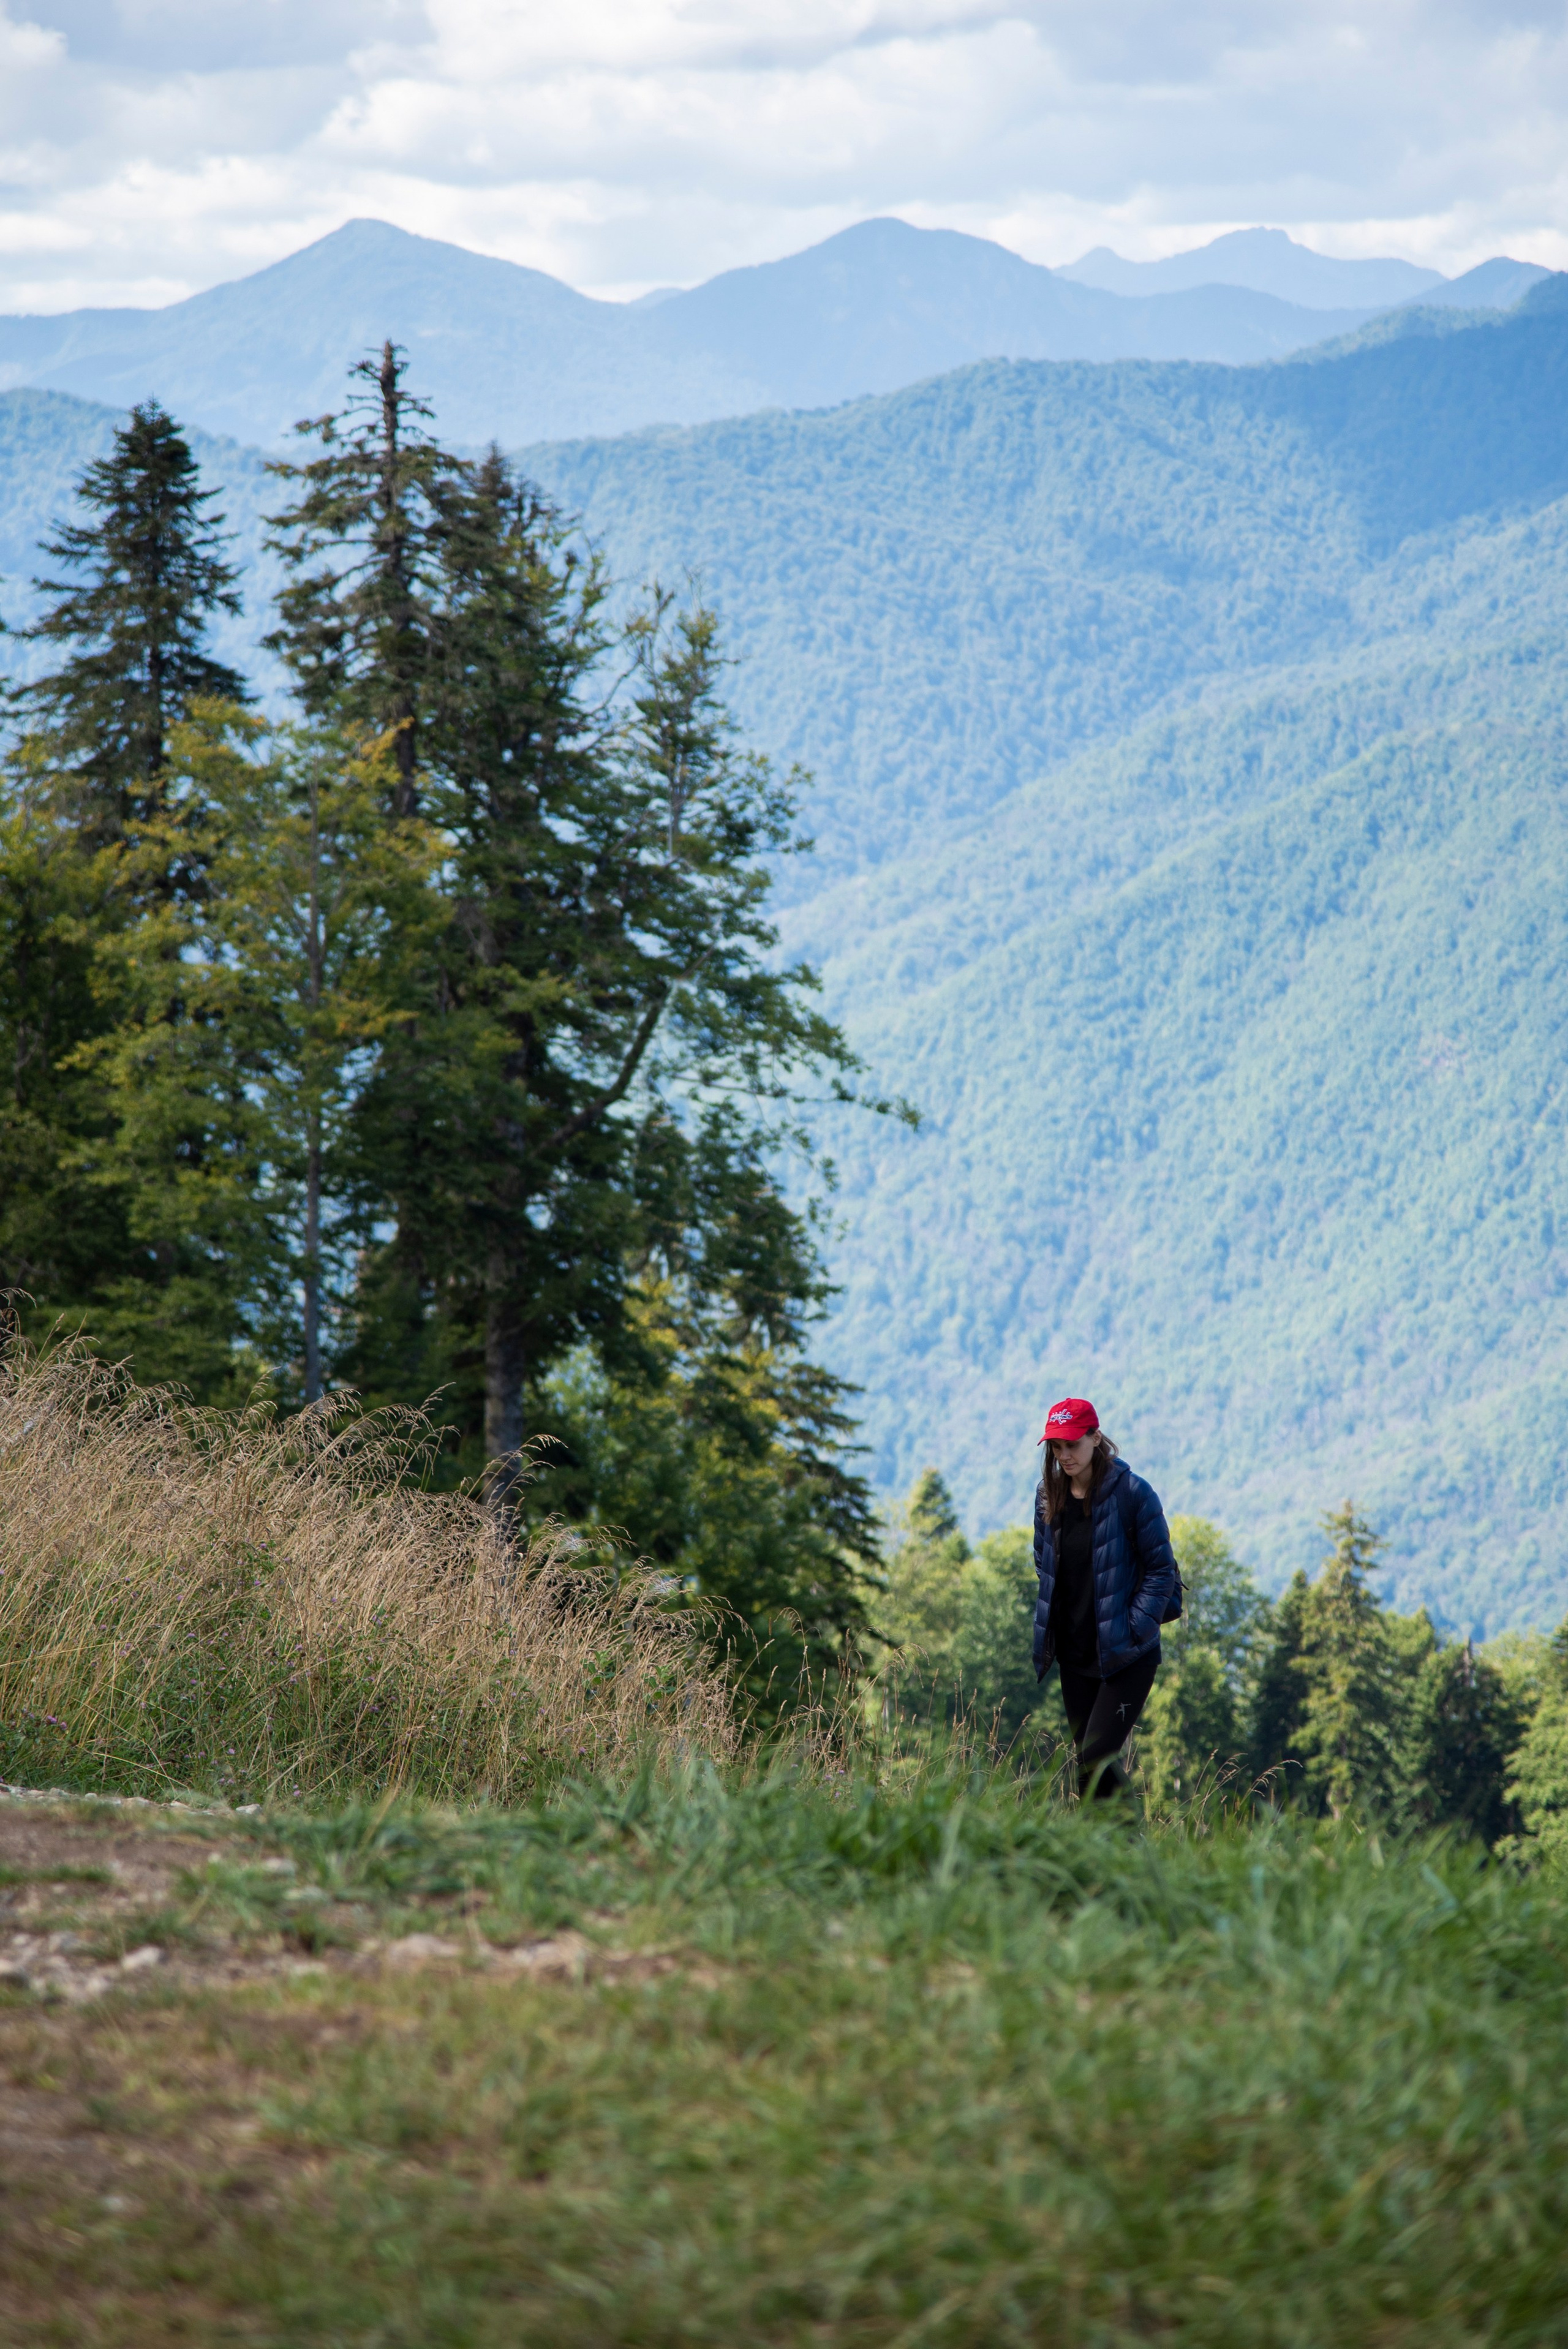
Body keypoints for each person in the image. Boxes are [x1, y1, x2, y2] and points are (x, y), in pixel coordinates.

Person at [1032, 1395, 1180, 1800]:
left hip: (1127, 1655)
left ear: (1096, 1437)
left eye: (1072, 1444)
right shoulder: (1049, 1496)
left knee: (1098, 1754)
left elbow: (1161, 1569)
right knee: (1086, 1765)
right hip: (1075, 1655)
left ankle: (1132, 1841)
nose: (1064, 1455)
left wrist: (1134, 1629)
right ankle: (1105, 1853)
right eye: (1056, 1447)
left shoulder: (1133, 1493)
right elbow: (1043, 1561)